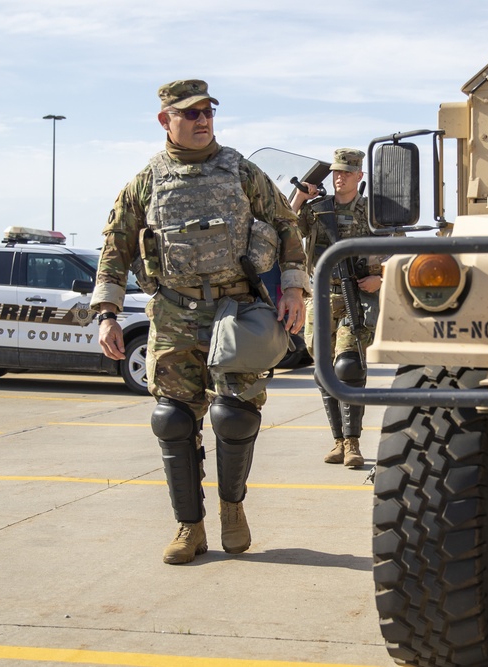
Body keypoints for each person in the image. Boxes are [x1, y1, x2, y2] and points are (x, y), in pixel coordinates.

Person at [91, 79, 308, 565]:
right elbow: (115, 246)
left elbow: (286, 225)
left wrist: (293, 288)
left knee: (234, 415)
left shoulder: (241, 171)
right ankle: (189, 527)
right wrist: (106, 313)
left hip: (235, 311)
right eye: (190, 113)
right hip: (173, 313)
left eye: (208, 111)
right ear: (165, 120)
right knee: (171, 420)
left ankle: (233, 510)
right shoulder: (146, 181)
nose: (203, 119)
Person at [290, 148, 384, 468]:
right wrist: (300, 198)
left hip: (358, 296)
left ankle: (353, 442)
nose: (339, 176)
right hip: (320, 295)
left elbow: (397, 249)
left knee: (348, 367)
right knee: (324, 371)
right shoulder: (317, 209)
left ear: (359, 176)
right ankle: (338, 441)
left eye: (346, 172)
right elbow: (287, 232)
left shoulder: (372, 212)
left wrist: (381, 281)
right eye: (335, 172)